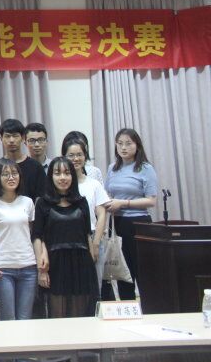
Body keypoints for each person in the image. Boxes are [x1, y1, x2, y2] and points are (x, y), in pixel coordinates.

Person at [34, 157, 99, 318]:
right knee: (57, 315)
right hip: (54, 265)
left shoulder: (82, 202)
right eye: (57, 173)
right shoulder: (42, 203)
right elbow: (37, 236)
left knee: (81, 315)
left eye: (67, 173)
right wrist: (41, 270)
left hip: (80, 263)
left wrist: (91, 266)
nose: (62, 177)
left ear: (73, 176)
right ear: (51, 176)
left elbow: (87, 235)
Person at [104, 128, 158, 301]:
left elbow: (151, 200)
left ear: (137, 145)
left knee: (141, 270)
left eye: (128, 143)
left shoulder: (145, 168)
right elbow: (107, 194)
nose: (123, 147)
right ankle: (127, 307)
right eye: (120, 144)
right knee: (123, 271)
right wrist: (109, 203)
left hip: (138, 223)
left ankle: (149, 308)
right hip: (116, 222)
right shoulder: (112, 168)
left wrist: (123, 203)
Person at [0, 158, 41, 321]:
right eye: (5, 174)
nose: (11, 177)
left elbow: (33, 234)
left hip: (28, 267)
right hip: (2, 268)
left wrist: (39, 262)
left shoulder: (28, 202)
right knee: (7, 319)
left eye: (14, 173)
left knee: (25, 319)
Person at [63, 138, 109, 284]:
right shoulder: (60, 185)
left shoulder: (94, 184)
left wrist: (96, 244)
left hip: (92, 236)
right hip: (67, 239)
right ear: (64, 157)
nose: (76, 159)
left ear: (85, 156)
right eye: (71, 155)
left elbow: (102, 214)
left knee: (94, 285)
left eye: (79, 154)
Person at [0, 119, 43, 201]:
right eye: (7, 136)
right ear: (1, 138)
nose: (11, 140)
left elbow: (40, 198)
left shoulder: (36, 167)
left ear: (23, 138)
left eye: (15, 136)